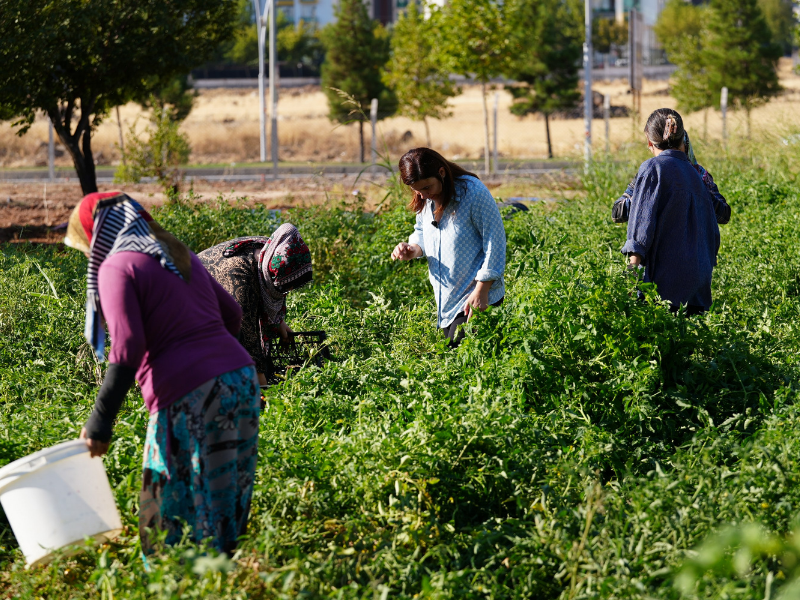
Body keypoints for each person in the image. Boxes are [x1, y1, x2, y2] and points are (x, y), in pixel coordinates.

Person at [64, 191, 260, 554]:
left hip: (187, 395)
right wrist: (213, 360)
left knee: (164, 513)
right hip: (240, 381)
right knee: (225, 505)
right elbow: (232, 313)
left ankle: (166, 585)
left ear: (98, 234)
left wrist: (99, 422)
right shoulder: (177, 253)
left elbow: (127, 349)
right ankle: (224, 581)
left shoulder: (117, 267)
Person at [391, 147, 506, 346]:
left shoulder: (473, 193)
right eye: (417, 190)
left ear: (441, 173)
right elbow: (422, 230)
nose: (424, 195)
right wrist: (413, 249)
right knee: (454, 361)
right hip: (447, 301)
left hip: (476, 297)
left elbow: (495, 240)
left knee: (465, 359)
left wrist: (482, 289)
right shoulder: (426, 199)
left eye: (427, 188)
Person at [621, 109, 728, 316]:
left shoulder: (653, 168)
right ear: (683, 139)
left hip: (664, 286)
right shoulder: (697, 174)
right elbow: (714, 231)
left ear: (650, 143)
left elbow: (641, 226)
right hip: (699, 286)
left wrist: (630, 276)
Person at [197, 224, 312, 385]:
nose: (288, 291)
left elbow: (265, 291)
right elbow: (247, 339)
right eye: (285, 286)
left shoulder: (271, 252)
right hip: (186, 303)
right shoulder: (240, 280)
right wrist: (264, 389)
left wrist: (279, 323)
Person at [612, 130, 731, 225]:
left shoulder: (699, 174)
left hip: (696, 249)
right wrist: (649, 195)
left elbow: (724, 215)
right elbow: (617, 212)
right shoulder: (650, 174)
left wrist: (697, 189)